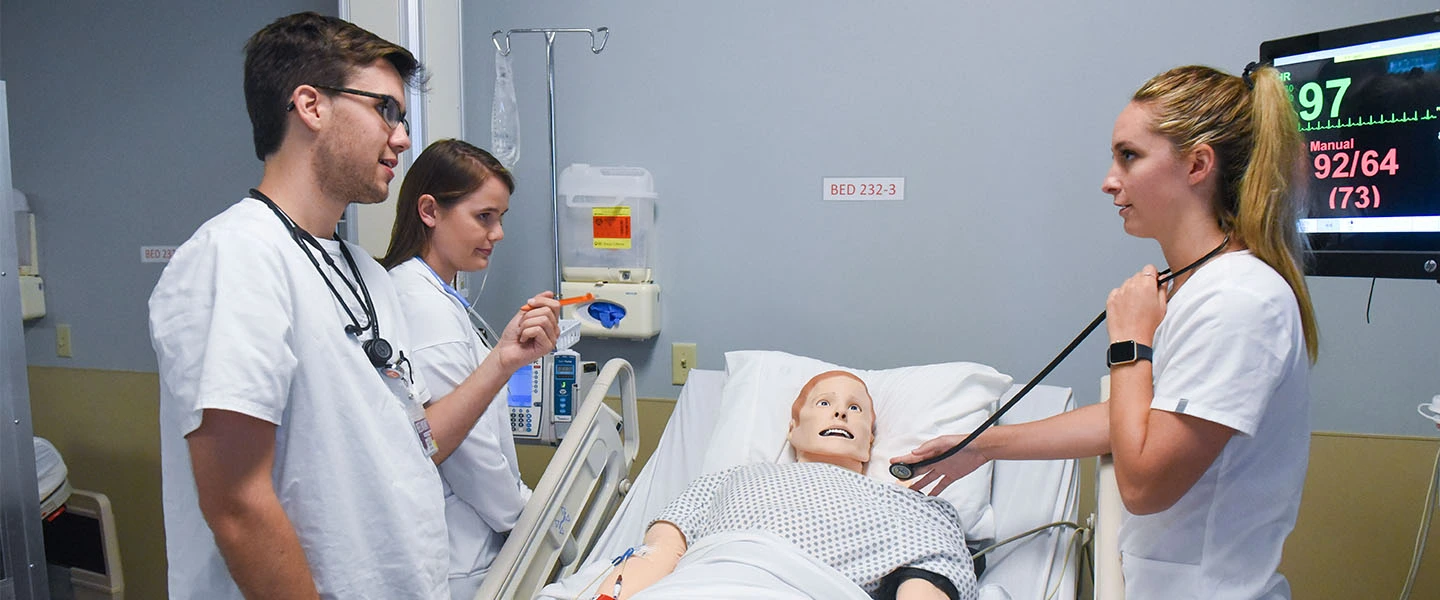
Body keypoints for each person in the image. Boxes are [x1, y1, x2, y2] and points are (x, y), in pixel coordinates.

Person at [148, 12, 559, 599]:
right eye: (385, 110)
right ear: (311, 106)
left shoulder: (365, 274)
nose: (403, 138)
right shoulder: (235, 258)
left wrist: (502, 362)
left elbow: (418, 442)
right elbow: (237, 502)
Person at [896, 64, 1318, 599]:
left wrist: (1129, 344)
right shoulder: (1203, 288)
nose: (1108, 180)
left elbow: (1142, 484)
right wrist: (983, 447)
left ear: (1197, 164)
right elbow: (1140, 421)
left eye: (1129, 155)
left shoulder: (1238, 301)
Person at [596, 371, 978, 600]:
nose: (841, 412)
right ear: (793, 429)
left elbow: (933, 576)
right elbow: (660, 554)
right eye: (825, 403)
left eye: (855, 409)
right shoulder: (729, 478)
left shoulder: (914, 505)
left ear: (870, 440)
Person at [380, 139, 532, 599]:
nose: (498, 232)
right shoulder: (425, 306)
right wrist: (528, 515)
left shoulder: (437, 296)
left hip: (466, 541)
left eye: (500, 218)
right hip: (461, 553)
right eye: (484, 217)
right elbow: (463, 449)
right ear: (430, 211)